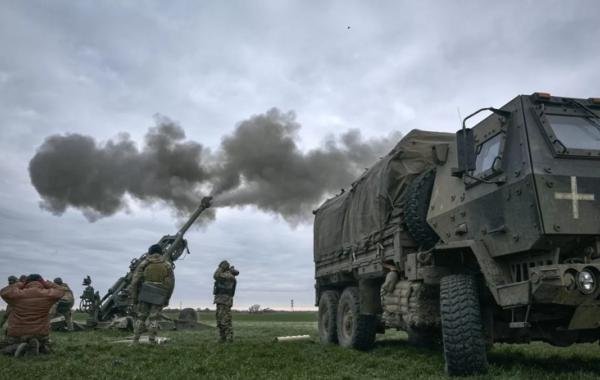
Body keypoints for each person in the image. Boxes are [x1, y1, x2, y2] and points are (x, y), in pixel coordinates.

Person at [0, 274, 65, 357]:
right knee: (44, 341)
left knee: (4, 346)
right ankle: (41, 346)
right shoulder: (48, 294)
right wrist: (46, 283)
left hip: (17, 334)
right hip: (40, 333)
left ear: (27, 282)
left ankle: (17, 347)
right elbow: (61, 290)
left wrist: (21, 284)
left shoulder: (17, 294)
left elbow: (3, 292)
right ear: (40, 282)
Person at [130, 244, 174, 344]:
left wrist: (135, 297)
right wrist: (167, 298)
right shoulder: (167, 265)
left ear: (150, 252)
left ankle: (135, 340)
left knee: (141, 317)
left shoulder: (144, 264)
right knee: (154, 318)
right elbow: (171, 284)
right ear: (160, 252)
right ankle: (152, 340)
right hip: (159, 294)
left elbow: (135, 282)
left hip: (145, 293)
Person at [213, 260, 239, 343]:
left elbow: (216, 275)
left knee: (225, 321)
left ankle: (229, 338)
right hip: (220, 301)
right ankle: (223, 338)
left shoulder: (229, 276)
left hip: (225, 301)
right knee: (220, 321)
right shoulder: (227, 275)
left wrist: (221, 267)